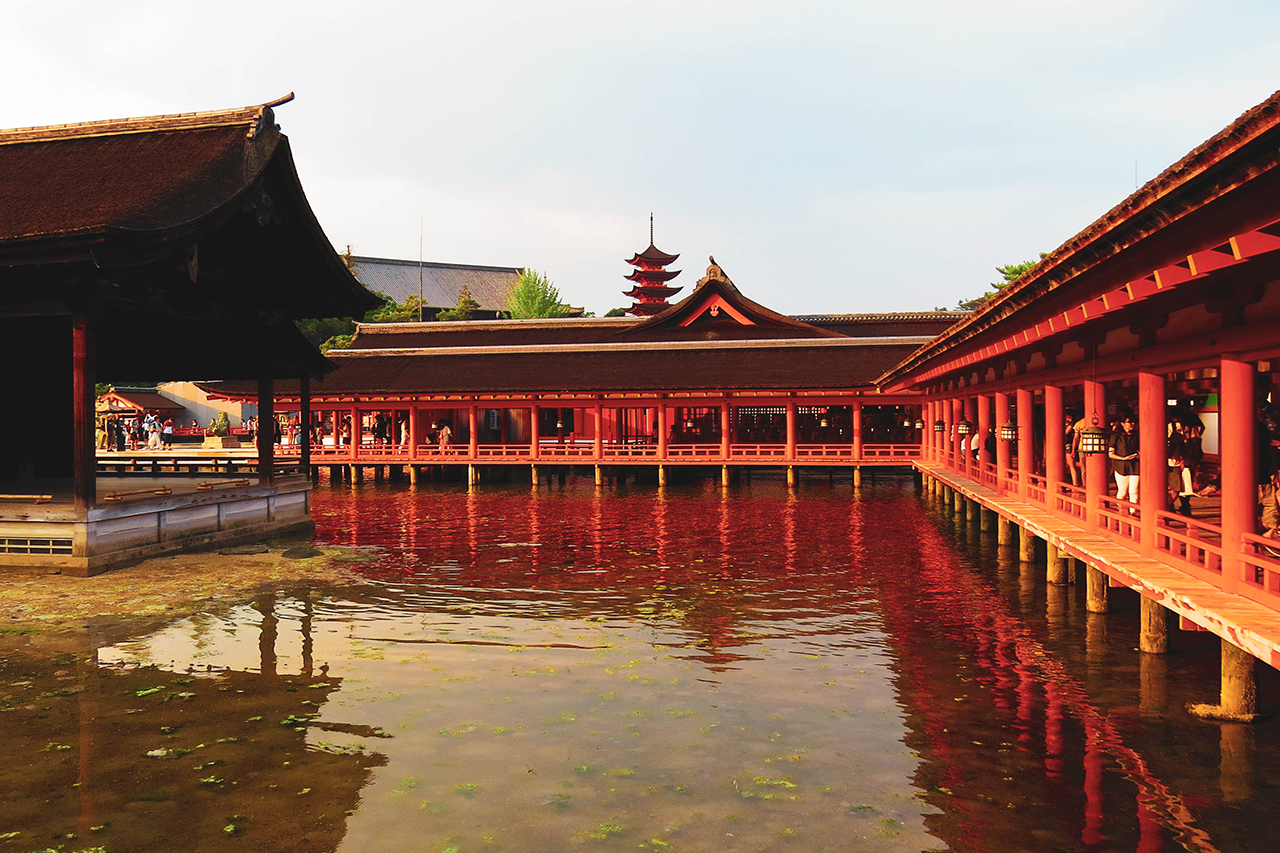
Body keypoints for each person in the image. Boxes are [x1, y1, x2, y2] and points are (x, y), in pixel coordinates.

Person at [1108, 413, 1139, 504]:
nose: (1132, 424)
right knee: (1122, 492)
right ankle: (1120, 510)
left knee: (1134, 491)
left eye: (1133, 422)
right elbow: (1111, 454)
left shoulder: (1136, 436)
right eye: (1129, 422)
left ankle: (1133, 512)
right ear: (1122, 424)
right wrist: (1123, 458)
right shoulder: (1116, 436)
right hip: (1121, 466)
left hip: (1135, 465)